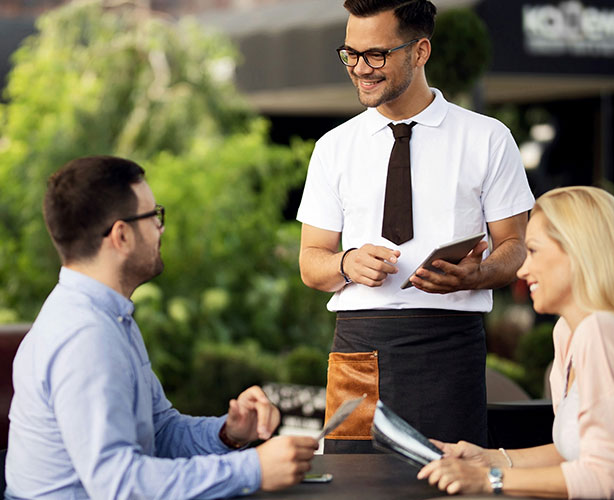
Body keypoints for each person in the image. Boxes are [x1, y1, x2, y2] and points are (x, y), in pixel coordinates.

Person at [296, 0, 534, 452]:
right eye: (351, 53)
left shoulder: (487, 138)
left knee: (449, 482)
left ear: (420, 51)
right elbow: (311, 263)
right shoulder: (333, 148)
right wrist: (346, 263)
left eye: (377, 55)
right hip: (356, 347)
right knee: (353, 484)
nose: (361, 68)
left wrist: (477, 274)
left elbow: (514, 246)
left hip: (448, 350)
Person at [5, 156, 318, 499]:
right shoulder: (85, 337)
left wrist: (228, 434)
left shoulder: (109, 317)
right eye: (153, 217)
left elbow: (160, 432)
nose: (160, 228)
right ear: (121, 236)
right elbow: (120, 484)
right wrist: (253, 468)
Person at [418, 186, 614, 499]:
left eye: (534, 251)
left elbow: (605, 477)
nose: (522, 270)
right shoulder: (569, 332)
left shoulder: (603, 333)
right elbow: (582, 450)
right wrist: (492, 458)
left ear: (580, 252)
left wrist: (489, 479)